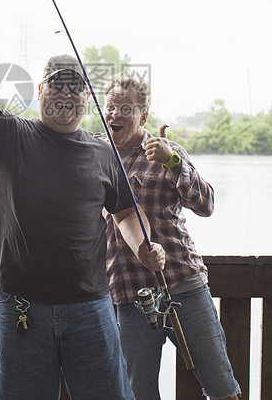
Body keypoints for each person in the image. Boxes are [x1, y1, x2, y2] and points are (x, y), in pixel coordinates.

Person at [0, 35, 165, 400]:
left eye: (75, 85)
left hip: (91, 308)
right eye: (57, 83)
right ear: (41, 89)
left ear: (86, 96)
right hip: (20, 308)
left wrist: (143, 244)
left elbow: (126, 210)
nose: (66, 93)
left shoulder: (103, 152)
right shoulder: (9, 135)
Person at [103, 71, 241, 400]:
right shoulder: (97, 158)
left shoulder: (166, 152)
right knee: (137, 393)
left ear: (143, 116)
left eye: (126, 109)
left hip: (183, 288)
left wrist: (174, 162)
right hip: (129, 300)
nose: (115, 115)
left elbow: (206, 204)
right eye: (110, 108)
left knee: (221, 386)